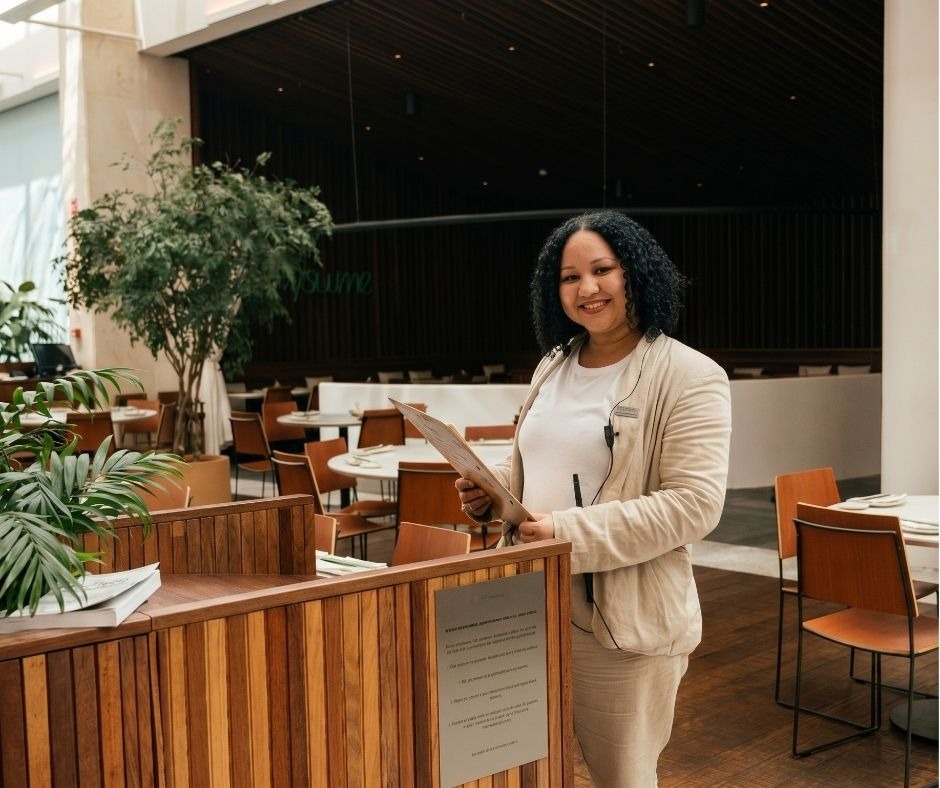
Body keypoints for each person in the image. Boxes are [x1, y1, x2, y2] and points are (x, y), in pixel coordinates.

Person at [455, 209, 731, 786]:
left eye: (602, 270)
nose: (586, 288)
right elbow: (541, 456)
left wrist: (567, 533)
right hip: (527, 599)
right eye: (569, 276)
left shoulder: (689, 375)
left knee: (619, 777)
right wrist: (492, 486)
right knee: (528, 765)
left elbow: (694, 504)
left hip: (620, 621)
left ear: (634, 273)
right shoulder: (554, 364)